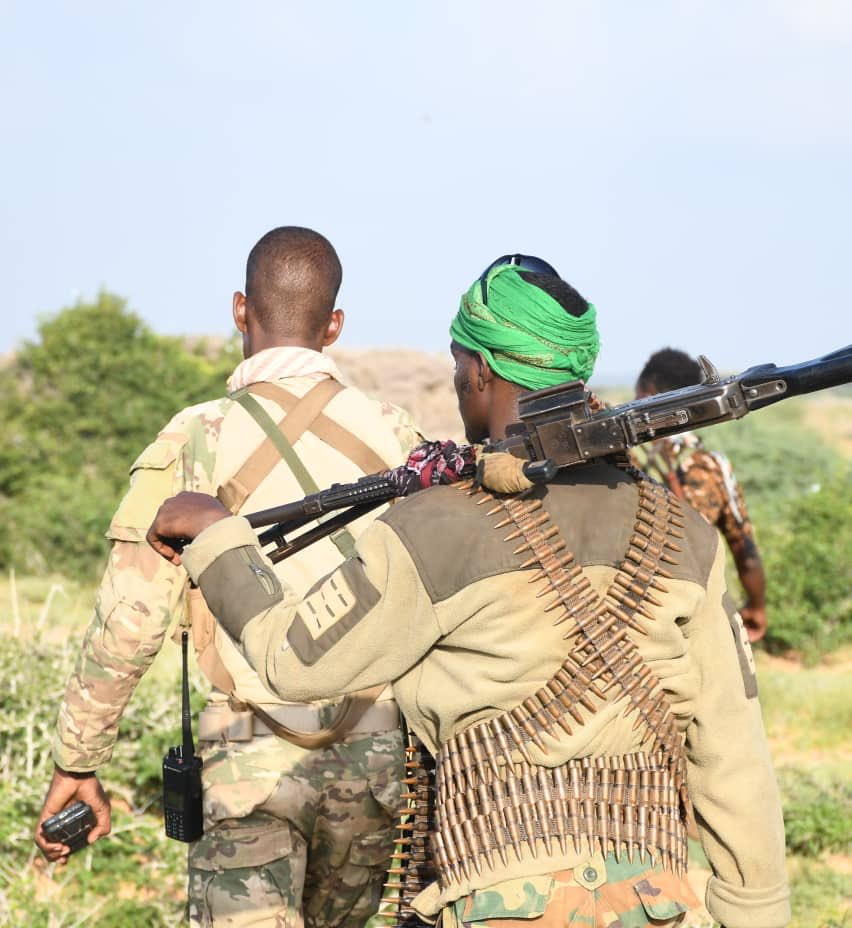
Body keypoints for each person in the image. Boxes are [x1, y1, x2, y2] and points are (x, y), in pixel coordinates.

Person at [147, 258, 790, 928]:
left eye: (459, 366)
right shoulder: (683, 534)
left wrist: (219, 537)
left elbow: (295, 660)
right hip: (660, 905)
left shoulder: (438, 525)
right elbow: (735, 761)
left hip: (497, 903)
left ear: (481, 371)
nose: (458, 384)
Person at [34, 226, 425, 928]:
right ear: (334, 325)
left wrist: (78, 760)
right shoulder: (399, 435)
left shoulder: (195, 437)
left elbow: (131, 619)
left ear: (241, 310)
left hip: (249, 758)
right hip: (374, 752)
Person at [632, 348, 768, 642]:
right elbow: (745, 551)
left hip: (631, 616)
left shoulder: (620, 459)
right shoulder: (713, 465)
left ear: (645, 392)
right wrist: (757, 608)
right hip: (695, 618)